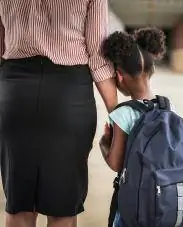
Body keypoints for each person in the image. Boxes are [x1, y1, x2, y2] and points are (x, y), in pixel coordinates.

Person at [0, 0, 117, 227]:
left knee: (19, 202)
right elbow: (97, 55)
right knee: (62, 206)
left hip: (15, 94)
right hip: (69, 96)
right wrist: (117, 113)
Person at [99, 27, 167, 226]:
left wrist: (105, 142)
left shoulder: (123, 114)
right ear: (150, 71)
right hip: (161, 203)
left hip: (134, 207)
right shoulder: (168, 107)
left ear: (119, 76)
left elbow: (116, 163)